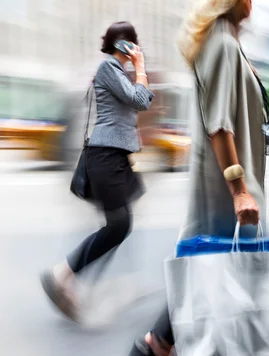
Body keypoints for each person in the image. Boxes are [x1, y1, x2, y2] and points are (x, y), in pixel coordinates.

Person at [129, 0, 269, 354]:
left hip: (228, 184)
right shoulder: (221, 44)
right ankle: (157, 344)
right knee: (214, 264)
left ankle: (160, 344)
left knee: (209, 266)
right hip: (226, 188)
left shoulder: (227, 44)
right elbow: (219, 125)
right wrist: (239, 191)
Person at [40, 21, 154, 321]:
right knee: (118, 225)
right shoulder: (109, 69)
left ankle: (76, 278)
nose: (137, 51)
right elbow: (141, 99)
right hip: (104, 157)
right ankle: (64, 274)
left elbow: (140, 101)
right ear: (125, 45)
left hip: (116, 159)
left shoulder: (118, 73)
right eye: (134, 45)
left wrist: (137, 72)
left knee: (120, 223)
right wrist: (140, 67)